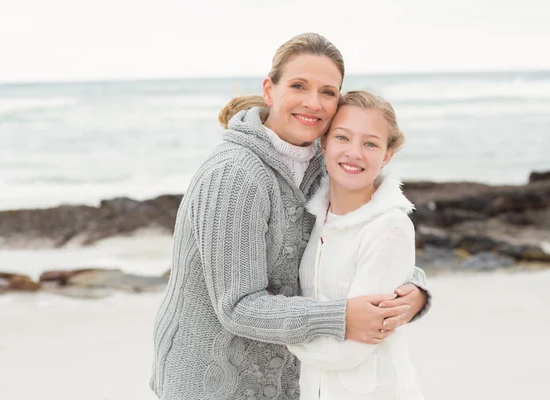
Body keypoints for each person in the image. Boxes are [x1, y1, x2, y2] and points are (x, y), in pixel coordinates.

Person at [150, 33, 430, 400]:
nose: (313, 102)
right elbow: (236, 306)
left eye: (328, 92)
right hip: (214, 384)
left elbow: (352, 236)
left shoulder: (322, 163)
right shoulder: (235, 175)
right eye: (299, 85)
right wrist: (340, 317)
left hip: (285, 381)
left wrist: (414, 290)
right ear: (270, 90)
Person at [287, 91, 424, 399]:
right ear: (324, 143)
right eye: (343, 137)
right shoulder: (312, 217)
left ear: (386, 155)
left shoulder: (389, 227)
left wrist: (280, 332)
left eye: (371, 143)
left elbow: (349, 351)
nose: (354, 153)